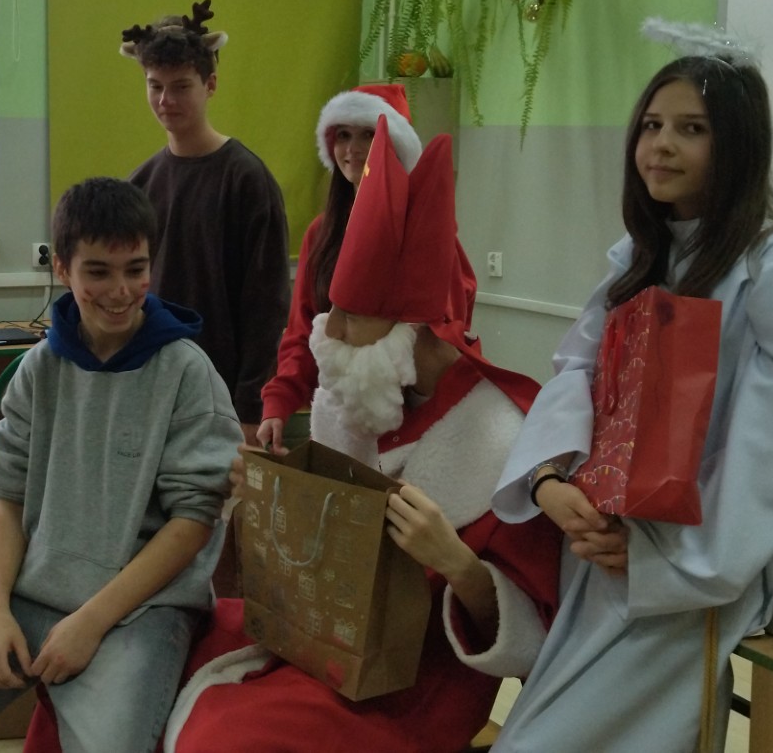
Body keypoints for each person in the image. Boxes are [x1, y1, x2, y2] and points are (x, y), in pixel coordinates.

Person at [490, 27, 773, 752]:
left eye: (692, 129)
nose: (660, 145)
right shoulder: (641, 257)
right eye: (652, 125)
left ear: (739, 144)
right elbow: (576, 373)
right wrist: (551, 480)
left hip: (688, 573)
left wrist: (673, 560)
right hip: (602, 553)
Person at [158, 119, 562, 753]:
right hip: (315, 645)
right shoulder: (359, 401)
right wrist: (266, 498)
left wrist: (455, 562)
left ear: (412, 329)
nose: (329, 332)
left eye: (351, 317)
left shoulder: (501, 440)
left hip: (414, 686)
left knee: (229, 740)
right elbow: (318, 561)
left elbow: (536, 639)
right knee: (158, 662)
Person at [0, 177, 240, 752]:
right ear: (63, 268)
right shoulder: (38, 369)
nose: (121, 291)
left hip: (138, 610)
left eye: (136, 269)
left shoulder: (186, 373)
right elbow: (9, 500)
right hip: (31, 592)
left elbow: (193, 523)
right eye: (98, 272)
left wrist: (90, 623)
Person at [256, 83, 476, 454]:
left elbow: (447, 333)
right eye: (343, 135)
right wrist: (279, 402)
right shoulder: (321, 233)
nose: (352, 149)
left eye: (368, 135)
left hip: (412, 425)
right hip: (342, 417)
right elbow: (302, 330)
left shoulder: (426, 233)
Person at [123, 0, 290, 436]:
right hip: (149, 386)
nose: (166, 100)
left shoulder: (247, 180)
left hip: (220, 397)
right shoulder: (139, 184)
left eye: (181, 86)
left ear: (210, 84)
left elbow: (266, 305)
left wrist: (251, 407)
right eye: (155, 86)